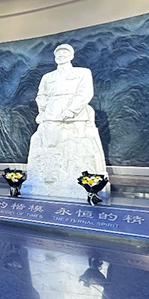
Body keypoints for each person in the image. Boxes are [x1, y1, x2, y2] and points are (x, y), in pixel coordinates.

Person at [22, 43, 108, 200]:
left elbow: (85, 92)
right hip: (52, 112)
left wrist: (71, 110)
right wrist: (43, 111)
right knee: (49, 142)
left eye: (65, 53)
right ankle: (51, 173)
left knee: (79, 144)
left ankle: (84, 178)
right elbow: (41, 96)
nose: (61, 55)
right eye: (58, 53)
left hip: (77, 113)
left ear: (71, 56)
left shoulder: (82, 72)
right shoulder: (48, 77)